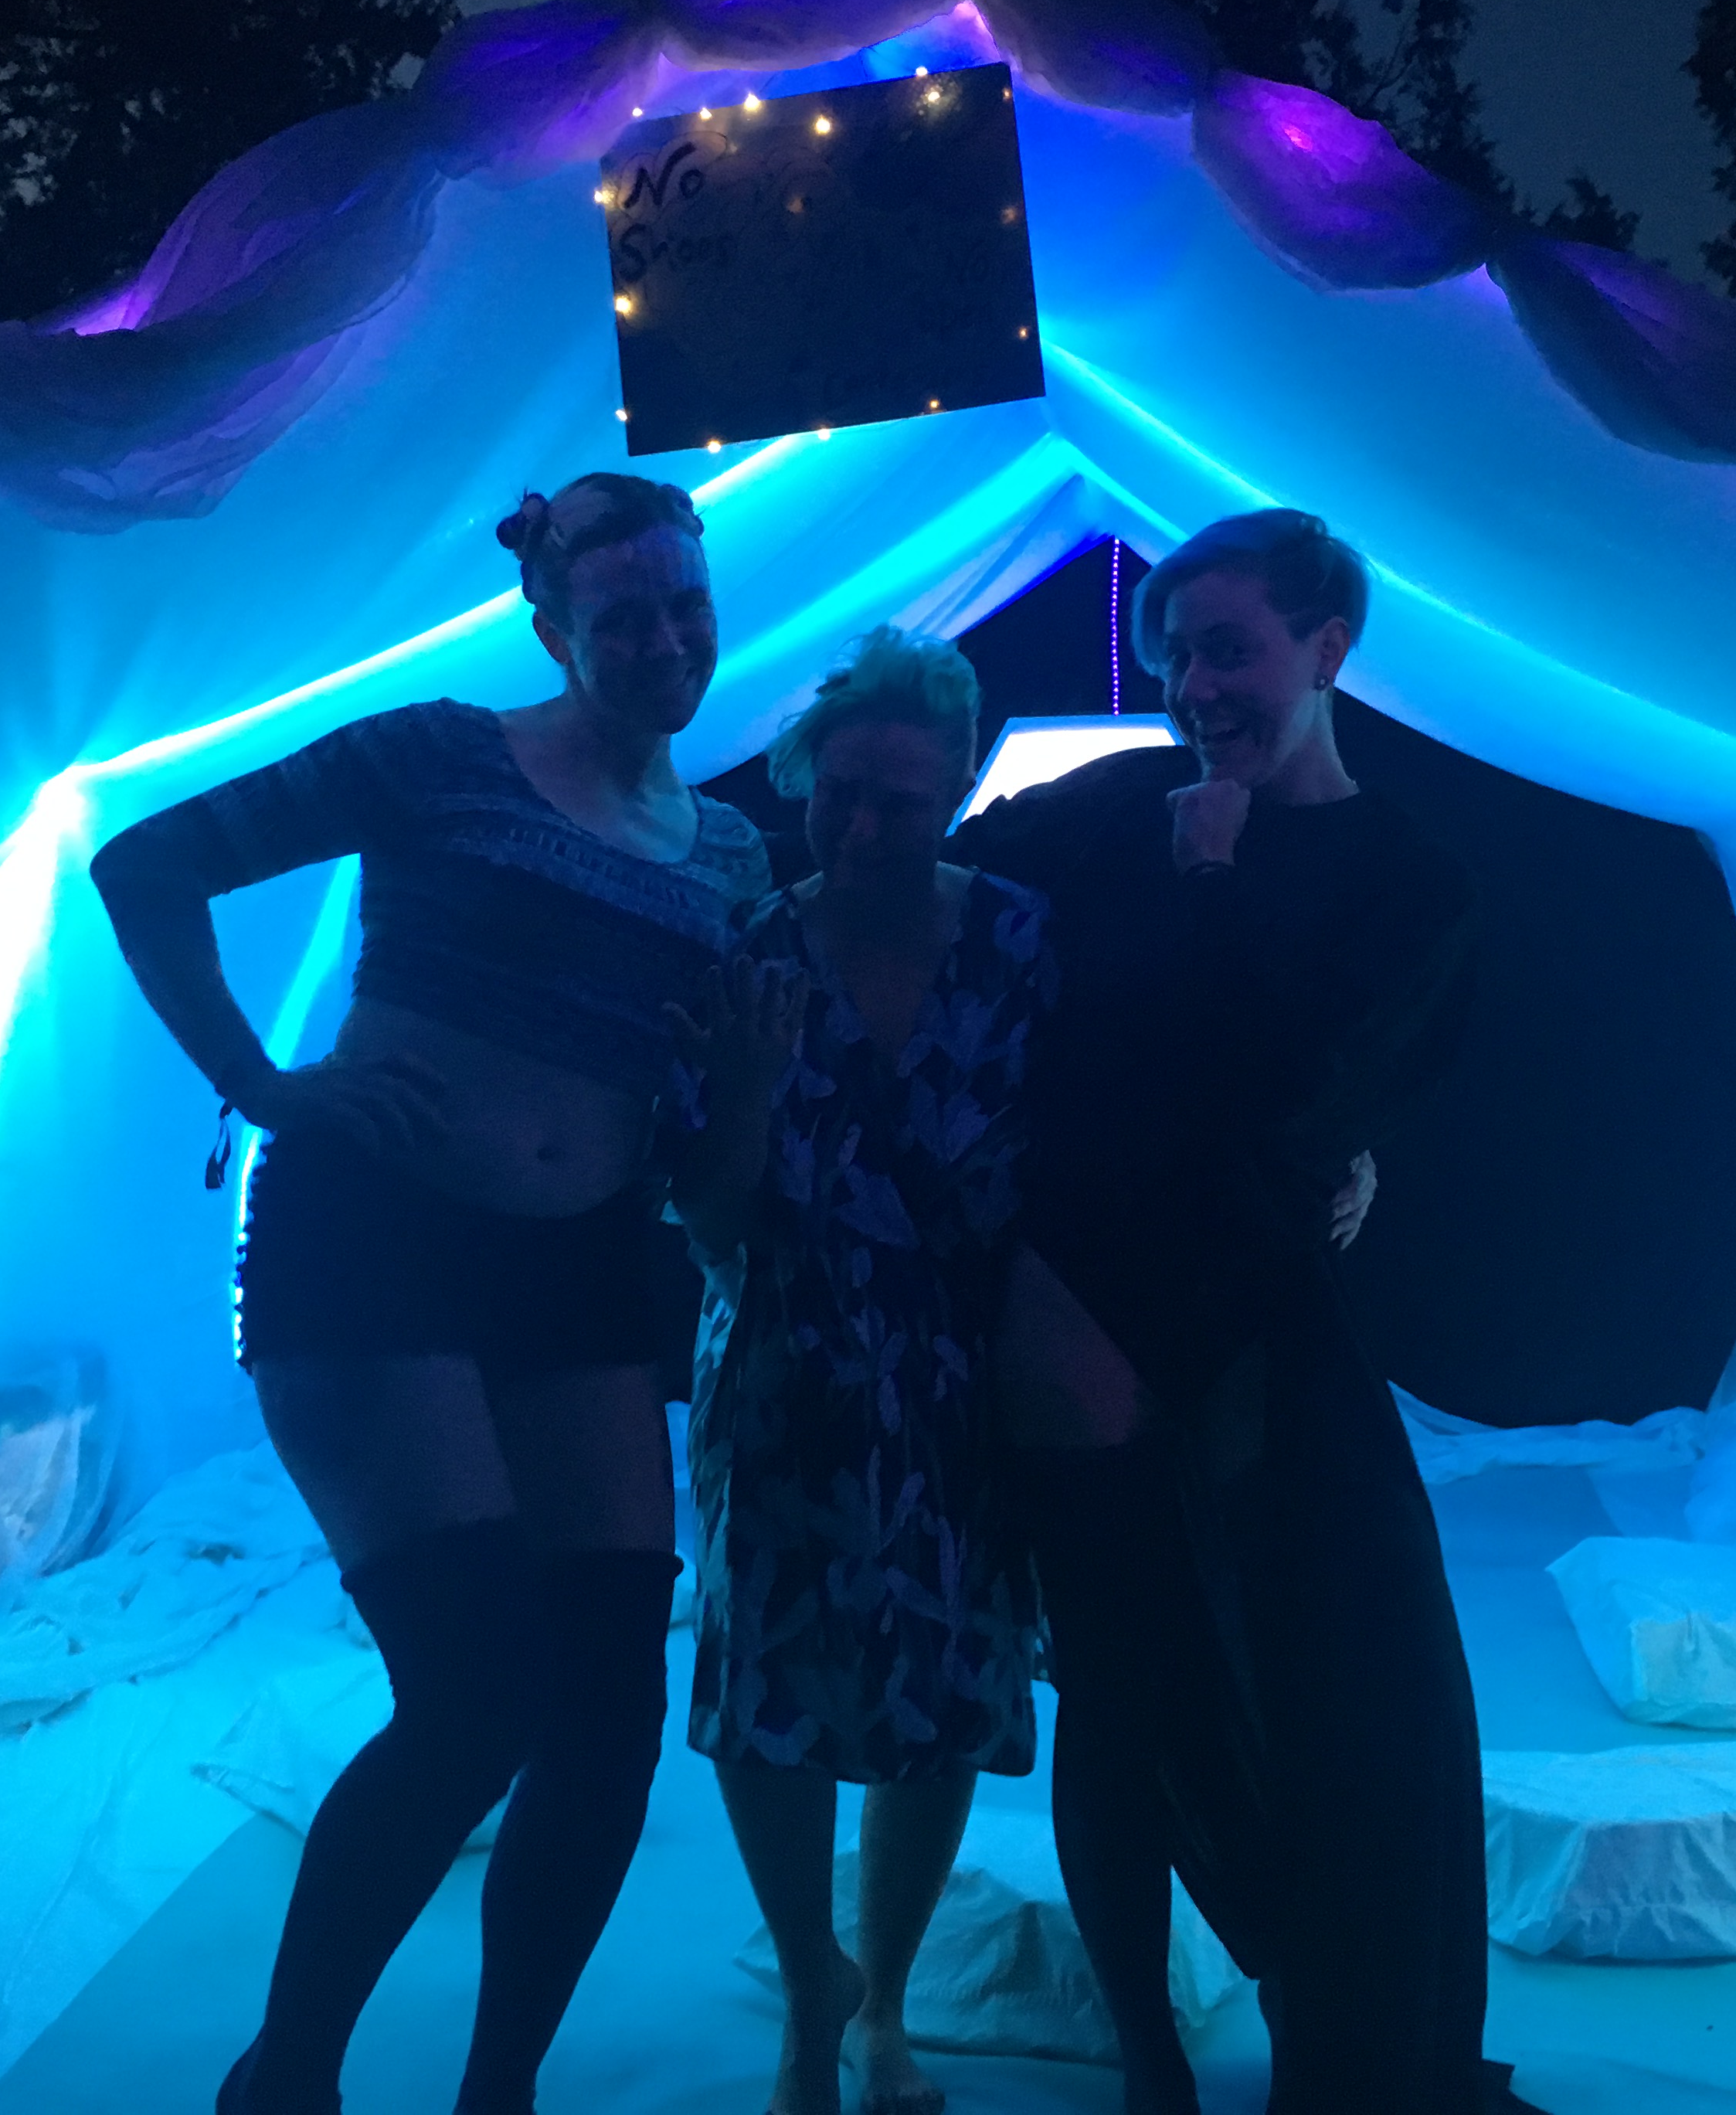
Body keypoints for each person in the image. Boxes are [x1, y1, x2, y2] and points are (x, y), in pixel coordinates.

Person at [89, 472, 769, 2115]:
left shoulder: (735, 854)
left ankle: (498, 2092)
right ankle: (286, 2079)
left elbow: (705, 1118)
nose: (666, 641)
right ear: (554, 626)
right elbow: (147, 865)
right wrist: (260, 1079)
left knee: (610, 1711)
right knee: (478, 1693)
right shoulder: (439, 756)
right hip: (376, 1241)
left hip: (583, 1267)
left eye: (686, 605)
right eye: (623, 617)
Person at [950, 510, 1527, 2115]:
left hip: (1253, 1329)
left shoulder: (1411, 884)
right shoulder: (1119, 805)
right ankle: (1151, 2062)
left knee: (1342, 1696)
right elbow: (932, 883)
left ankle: (1343, 2042)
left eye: (1232, 650)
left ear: (1327, 648)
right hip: (1078, 1321)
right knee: (1126, 1706)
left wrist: (1213, 886)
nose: (1198, 687)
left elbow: (1290, 1102)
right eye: (1178, 655)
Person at [664, 628, 1051, 2115]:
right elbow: (709, 1222)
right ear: (802, 783)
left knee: (938, 1689)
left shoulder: (1021, 942)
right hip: (787, 1357)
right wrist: (747, 1098)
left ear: (956, 790)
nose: (869, 826)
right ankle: (807, 1991)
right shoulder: (746, 955)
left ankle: (884, 2004)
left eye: (904, 797)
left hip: (963, 1372)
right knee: (770, 1687)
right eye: (842, 794)